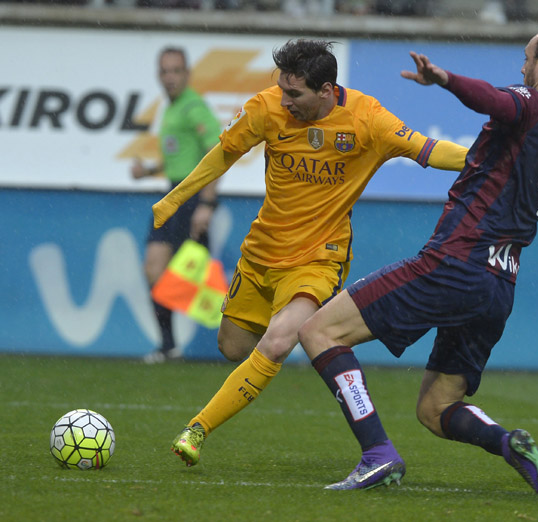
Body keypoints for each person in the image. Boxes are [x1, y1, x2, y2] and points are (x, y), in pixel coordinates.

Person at [297, 27, 538, 493]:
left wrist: (445, 78)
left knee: (318, 330)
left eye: (528, 59)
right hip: (499, 284)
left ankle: (377, 454)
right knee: (436, 409)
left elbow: (494, 100)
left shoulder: (530, 103)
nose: (521, 67)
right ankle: (508, 445)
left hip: (457, 262)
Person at [154, 39, 468, 466]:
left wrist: (494, 161)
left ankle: (197, 429)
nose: (284, 101)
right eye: (281, 89)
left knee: (280, 340)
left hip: (319, 259)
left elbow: (430, 151)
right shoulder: (265, 109)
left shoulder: (367, 119)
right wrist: (176, 199)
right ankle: (268, 341)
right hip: (261, 253)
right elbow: (222, 155)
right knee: (232, 346)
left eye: (294, 94)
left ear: (325, 90)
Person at [132, 47, 221, 364]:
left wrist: (207, 203)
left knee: (204, 286)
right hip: (173, 194)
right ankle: (168, 346)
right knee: (153, 270)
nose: (169, 77)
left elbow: (217, 153)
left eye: (175, 71)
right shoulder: (170, 109)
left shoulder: (194, 107)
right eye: (164, 71)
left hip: (193, 198)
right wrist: (149, 172)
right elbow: (178, 159)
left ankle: (257, 340)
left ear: (187, 74)